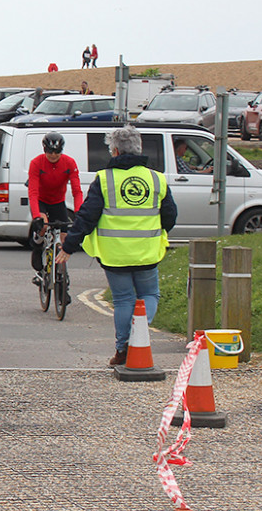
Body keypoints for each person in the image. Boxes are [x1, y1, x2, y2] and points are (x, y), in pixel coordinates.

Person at [57, 126, 177, 367]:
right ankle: (138, 339)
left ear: (114, 150)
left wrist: (69, 246)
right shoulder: (156, 178)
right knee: (149, 295)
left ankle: (123, 349)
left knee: (123, 300)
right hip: (147, 251)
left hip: (114, 254)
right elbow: (170, 216)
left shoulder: (105, 179)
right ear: (139, 148)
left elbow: (87, 216)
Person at [28, 131, 83, 299]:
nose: (53, 155)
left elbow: (77, 191)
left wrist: (79, 213)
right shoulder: (36, 163)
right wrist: (37, 215)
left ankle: (62, 283)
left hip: (58, 202)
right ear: (44, 150)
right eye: (50, 152)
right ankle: (38, 248)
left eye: (57, 152)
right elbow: (33, 192)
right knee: (44, 225)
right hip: (42, 201)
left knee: (64, 238)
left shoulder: (69, 163)